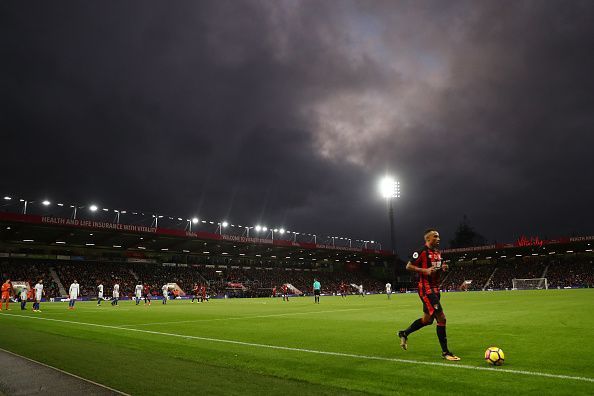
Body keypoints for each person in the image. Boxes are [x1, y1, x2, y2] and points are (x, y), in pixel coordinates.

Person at [397, 229, 460, 361]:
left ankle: (404, 333)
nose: (438, 239)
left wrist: (443, 268)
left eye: (439, 236)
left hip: (436, 289)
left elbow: (435, 269)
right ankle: (446, 352)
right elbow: (408, 266)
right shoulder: (421, 252)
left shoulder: (437, 252)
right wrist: (423, 270)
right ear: (428, 239)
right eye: (435, 236)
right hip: (426, 289)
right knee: (442, 319)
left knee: (427, 320)